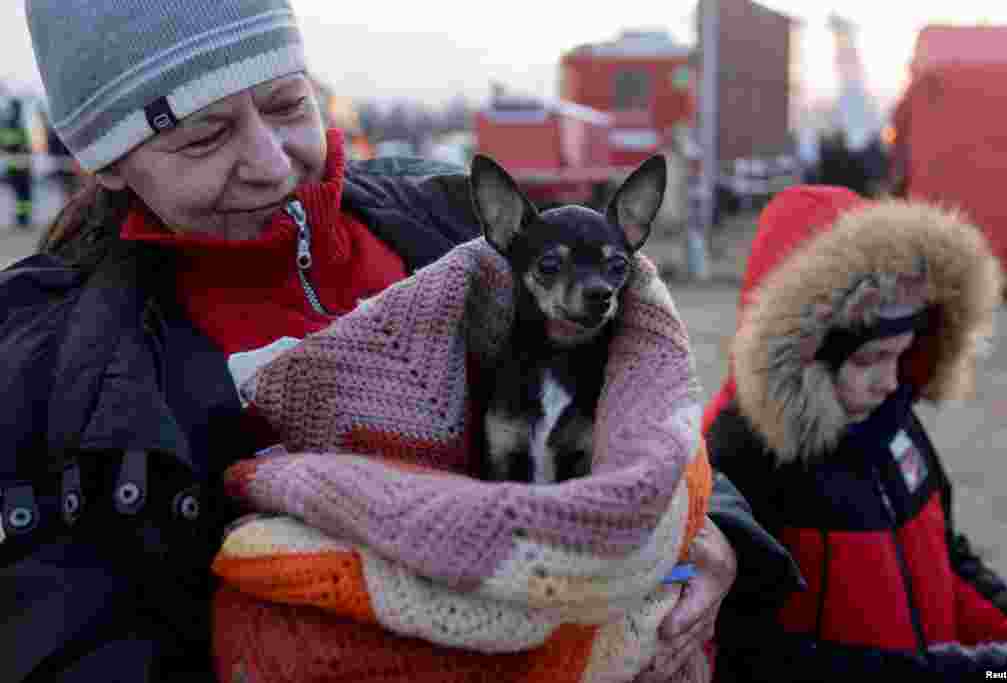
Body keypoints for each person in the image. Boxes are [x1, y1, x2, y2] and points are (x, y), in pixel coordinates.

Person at [6, 1, 800, 680]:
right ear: (102, 159)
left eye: (287, 104)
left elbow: (638, 402)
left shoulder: (452, 218)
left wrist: (713, 523)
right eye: (203, 138)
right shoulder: (49, 369)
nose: (270, 162)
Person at [702, 185, 1007, 681]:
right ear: (804, 353)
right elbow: (747, 650)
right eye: (869, 359)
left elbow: (946, 556)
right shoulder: (738, 457)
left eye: (902, 353)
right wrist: (961, 673)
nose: (891, 380)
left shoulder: (890, 422)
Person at [1, 96, 34, 227]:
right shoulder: (13, 125)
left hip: (18, 166)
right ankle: (22, 219)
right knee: (22, 195)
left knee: (22, 195)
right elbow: (13, 145)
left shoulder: (12, 124)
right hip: (18, 167)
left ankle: (23, 219)